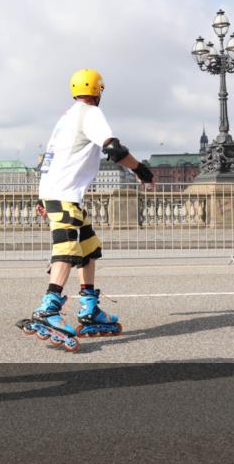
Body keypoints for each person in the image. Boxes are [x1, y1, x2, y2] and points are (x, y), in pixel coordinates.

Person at [16, 69, 154, 352]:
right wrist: (141, 170)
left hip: (59, 194)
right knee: (66, 249)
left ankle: (89, 308)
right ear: (99, 91)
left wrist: (43, 197)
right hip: (64, 196)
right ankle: (48, 309)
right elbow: (113, 149)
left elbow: (49, 160)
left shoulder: (66, 118)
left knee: (89, 248)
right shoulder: (90, 113)